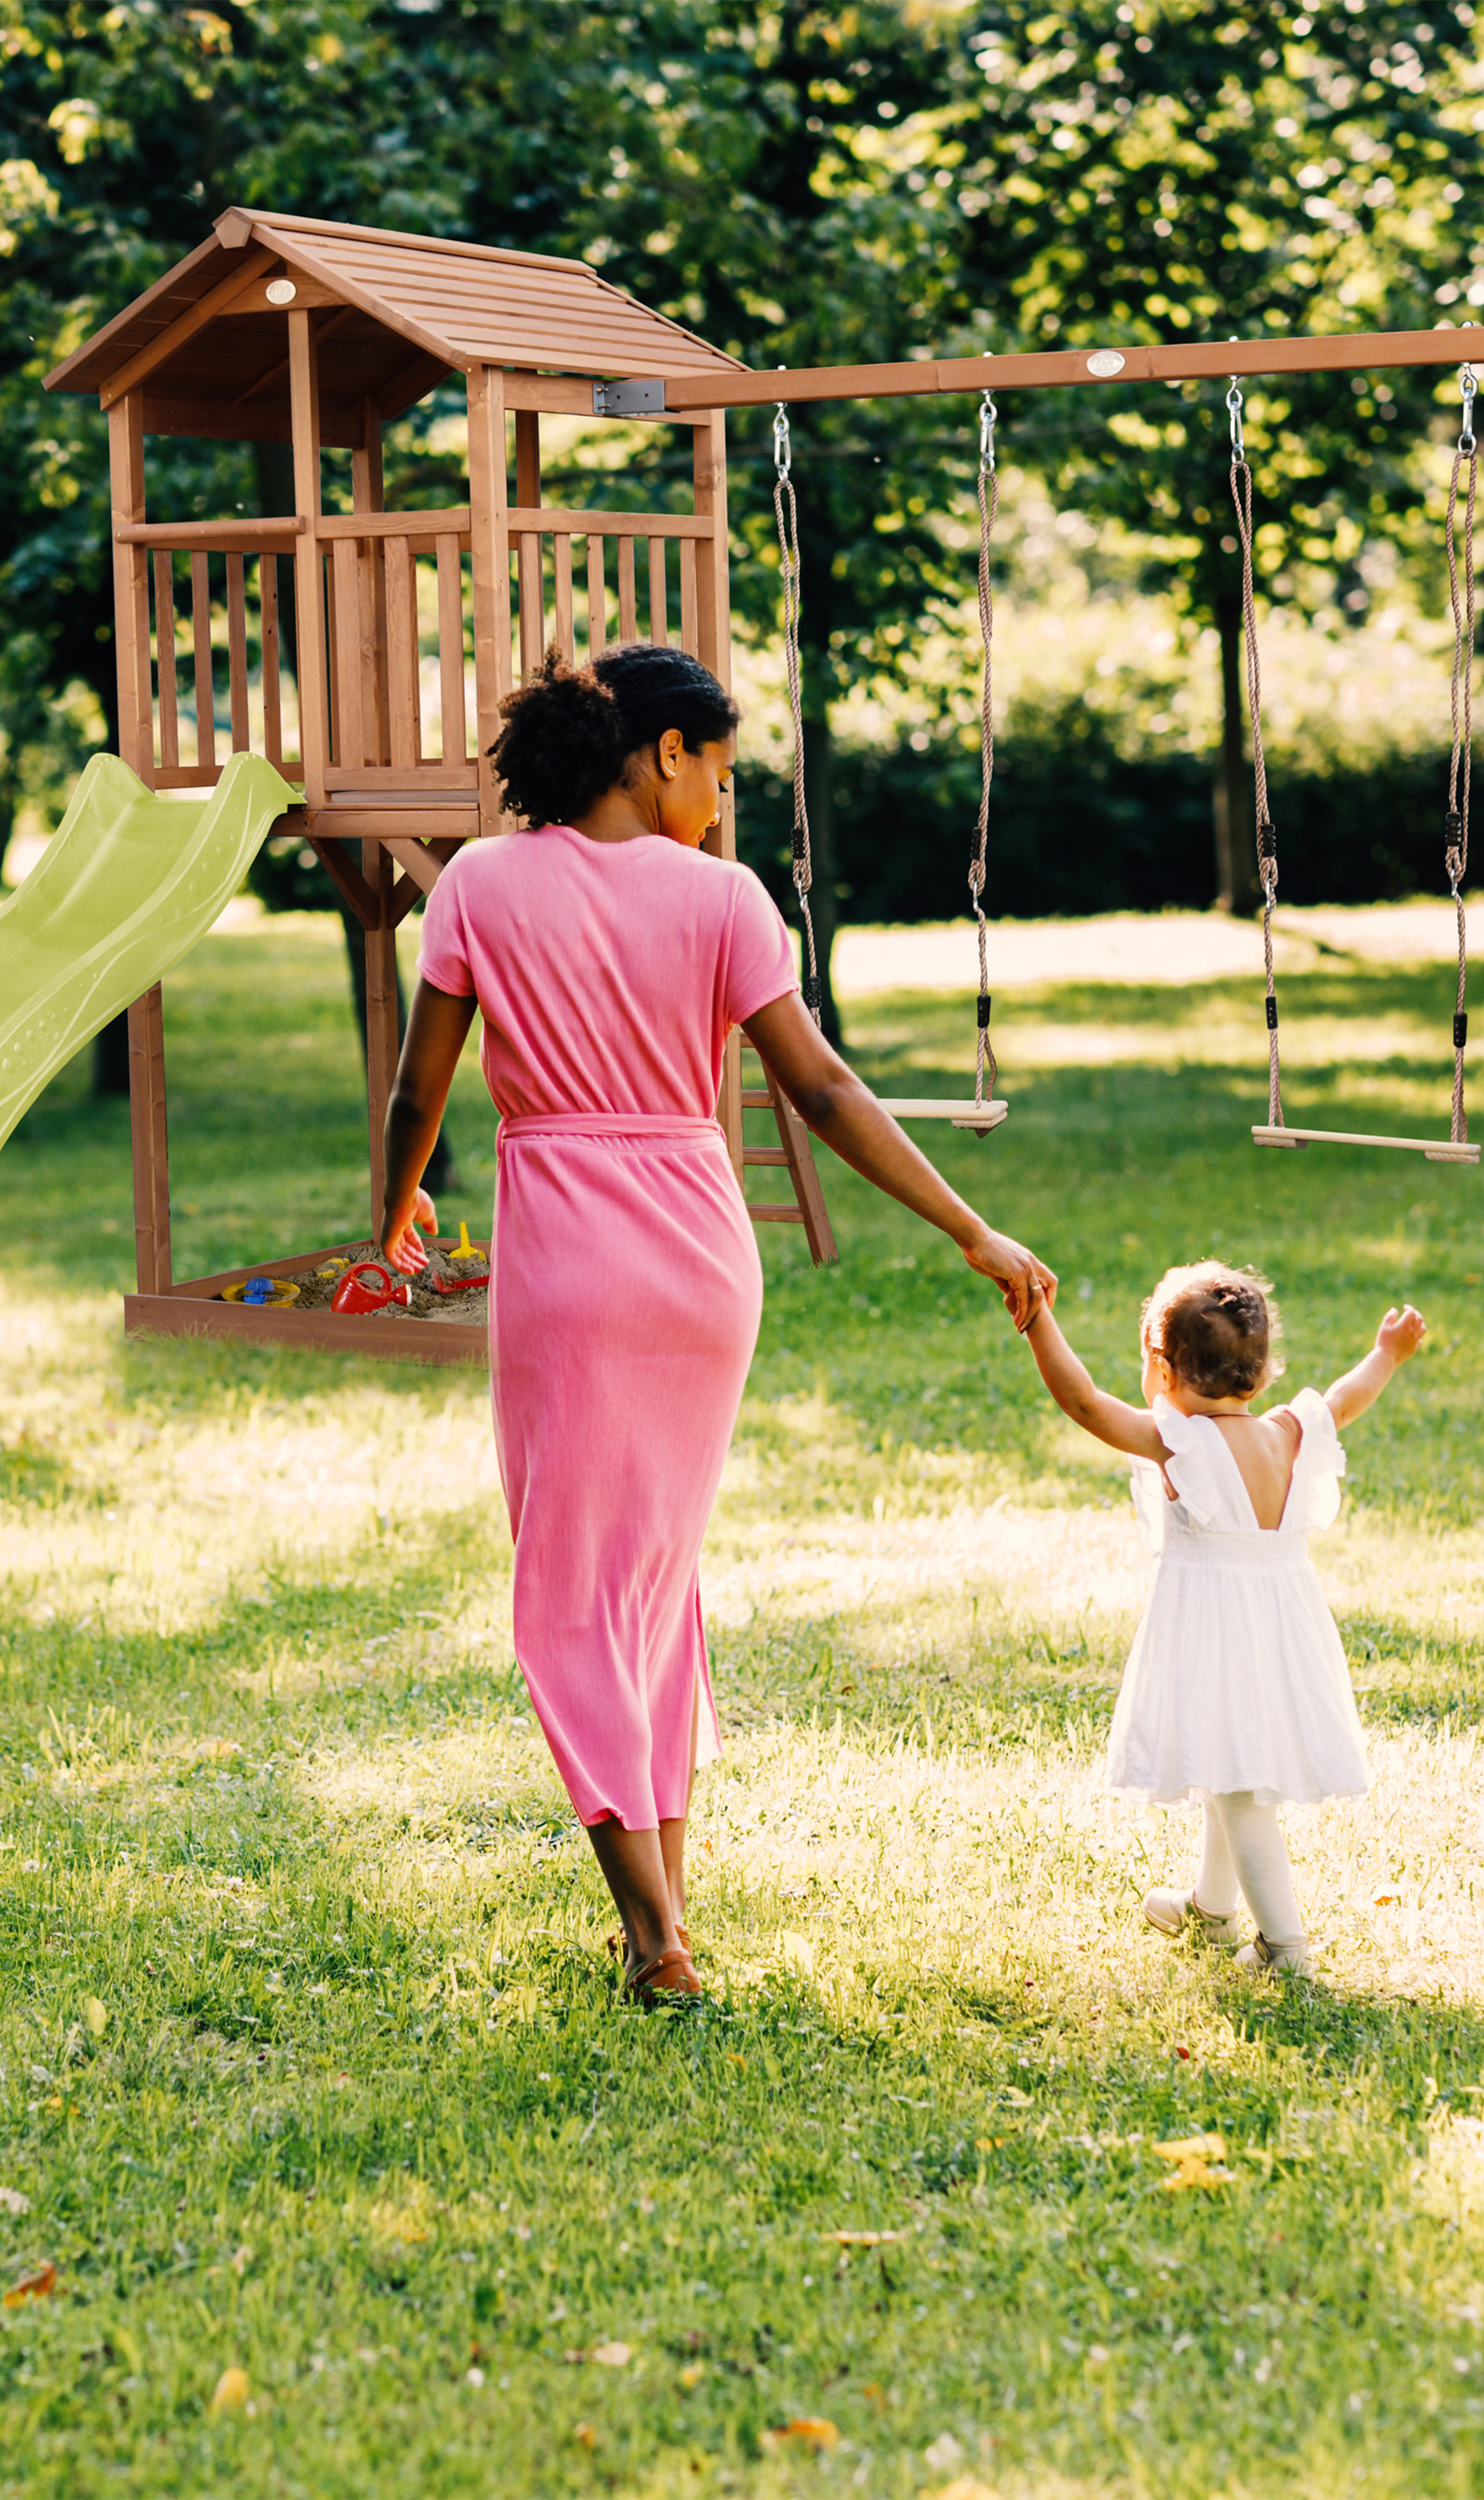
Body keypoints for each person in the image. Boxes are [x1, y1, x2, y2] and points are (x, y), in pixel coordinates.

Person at [377, 643, 1056, 2007]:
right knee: (650, 1584)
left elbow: (418, 1091)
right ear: (663, 752)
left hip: (567, 1259)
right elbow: (822, 1091)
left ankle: (652, 1936)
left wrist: (389, 1216)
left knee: (572, 1595)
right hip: (699, 1260)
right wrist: (968, 1226)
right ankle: (666, 1909)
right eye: (722, 772)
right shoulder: (726, 901)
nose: (724, 804)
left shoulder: (479, 886)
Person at [1017, 1262, 1427, 1976]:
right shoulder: (1289, 1432)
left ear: (1163, 1369)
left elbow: (1083, 1402)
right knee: (1224, 1763)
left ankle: (1284, 1947)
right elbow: (1345, 1396)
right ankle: (1211, 1909)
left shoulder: (1180, 1444)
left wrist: (1037, 1319)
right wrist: (1386, 1354)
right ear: (1262, 1373)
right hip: (1282, 1631)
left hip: (1217, 1634)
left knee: (1239, 1791)